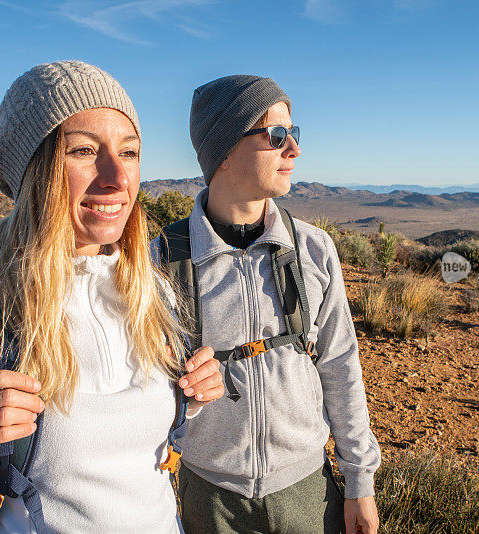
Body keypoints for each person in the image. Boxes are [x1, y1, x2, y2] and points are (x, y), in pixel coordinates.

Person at [0, 60, 223, 533]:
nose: (116, 175)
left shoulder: (151, 292)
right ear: (34, 171)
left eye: (130, 152)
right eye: (84, 151)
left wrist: (189, 397)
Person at [157, 75, 381, 534]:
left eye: (294, 133)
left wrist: (360, 482)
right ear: (222, 152)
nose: (293, 150)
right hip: (209, 497)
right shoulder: (161, 261)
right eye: (276, 136)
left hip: (307, 491)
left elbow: (341, 368)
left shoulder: (312, 250)